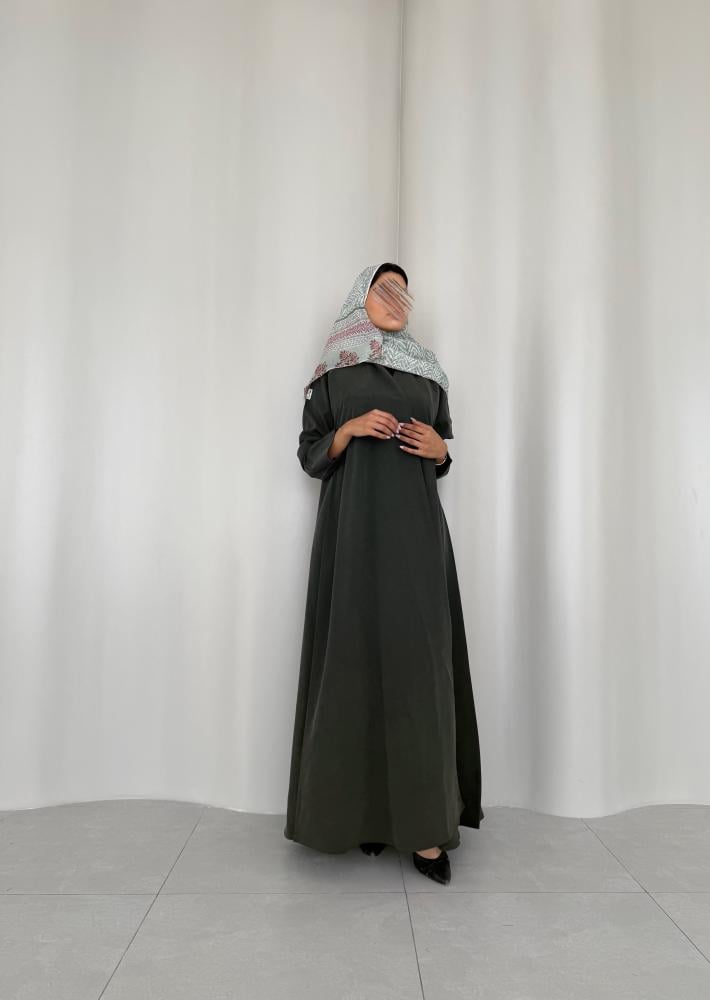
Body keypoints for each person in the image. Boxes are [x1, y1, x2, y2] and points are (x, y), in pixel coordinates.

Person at [284, 262, 483, 885]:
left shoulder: (429, 371)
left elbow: (442, 447)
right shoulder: (333, 371)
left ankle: (425, 832)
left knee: (418, 670)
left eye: (404, 292)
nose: (396, 300)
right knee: (354, 667)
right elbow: (309, 451)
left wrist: (442, 452)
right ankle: (363, 818)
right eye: (383, 289)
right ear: (360, 297)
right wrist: (345, 430)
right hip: (351, 539)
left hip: (417, 539)